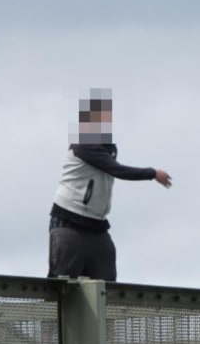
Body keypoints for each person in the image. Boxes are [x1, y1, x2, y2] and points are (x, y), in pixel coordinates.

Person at [48, 93, 171, 281]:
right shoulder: (84, 144)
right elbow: (117, 170)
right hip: (68, 221)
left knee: (106, 283)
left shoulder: (108, 148)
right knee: (63, 284)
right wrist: (152, 173)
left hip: (97, 225)